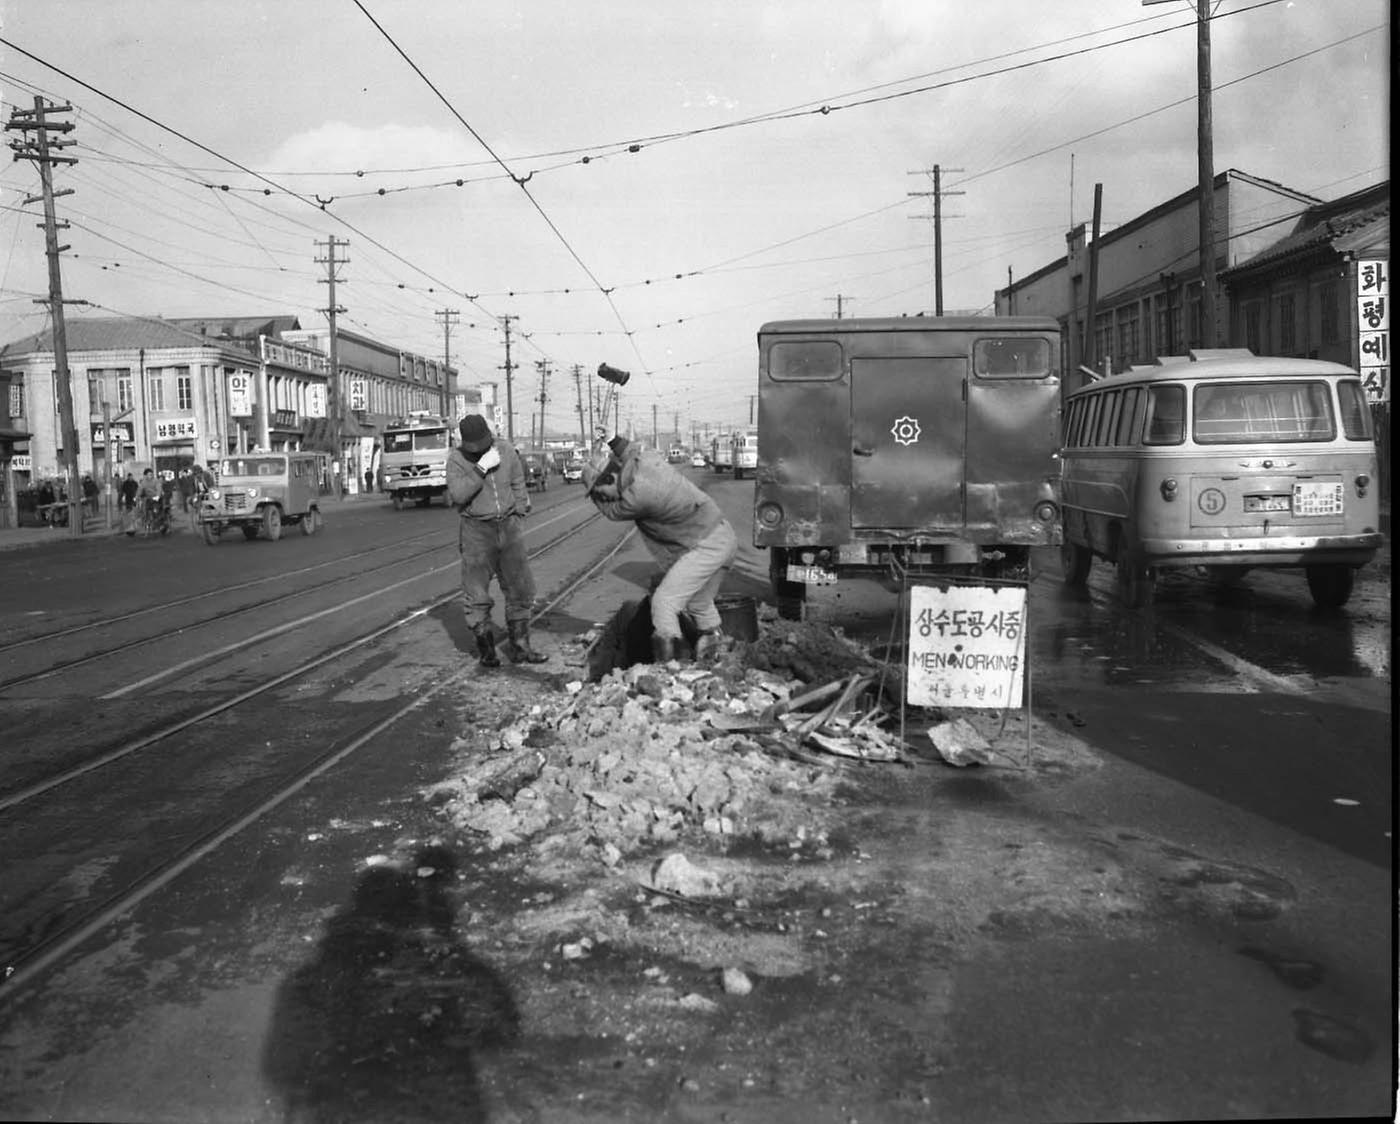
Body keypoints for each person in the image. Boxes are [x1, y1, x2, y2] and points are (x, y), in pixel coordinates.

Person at [581, 430, 738, 663]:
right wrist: (612, 438)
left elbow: (613, 512)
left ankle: (669, 669)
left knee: (664, 602)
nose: (604, 498)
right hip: (723, 535)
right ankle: (716, 651)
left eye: (599, 493)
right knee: (699, 603)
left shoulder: (636, 498)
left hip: (706, 544)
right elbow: (630, 450)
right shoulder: (646, 460)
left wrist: (597, 500)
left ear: (607, 480)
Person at [445, 415, 547, 668]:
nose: (478, 450)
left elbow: (517, 481)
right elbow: (458, 495)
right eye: (473, 448)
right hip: (476, 531)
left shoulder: (505, 449)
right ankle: (487, 652)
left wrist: (520, 508)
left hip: (508, 526)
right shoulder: (457, 460)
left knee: (521, 588)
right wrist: (481, 468)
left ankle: (521, 648)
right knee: (476, 593)